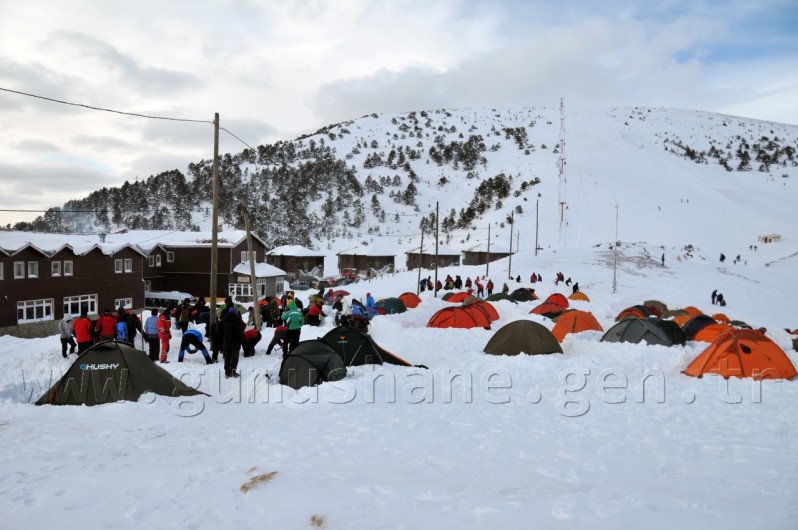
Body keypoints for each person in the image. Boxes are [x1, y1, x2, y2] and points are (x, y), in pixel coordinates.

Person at [218, 307, 245, 377]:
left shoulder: (223, 321)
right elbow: (239, 333)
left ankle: (227, 372)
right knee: (234, 358)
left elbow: (218, 331)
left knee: (227, 358)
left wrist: (223, 337)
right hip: (235, 343)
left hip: (226, 342)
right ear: (235, 313)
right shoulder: (237, 321)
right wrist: (242, 339)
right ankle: (233, 371)